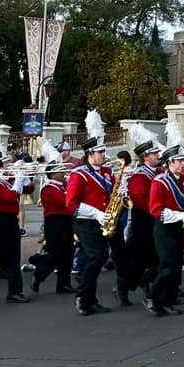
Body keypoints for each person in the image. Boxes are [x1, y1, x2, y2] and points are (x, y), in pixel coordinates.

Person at [66, 121, 116, 316]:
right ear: (90, 154)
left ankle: (90, 299)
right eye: (100, 152)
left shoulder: (107, 172)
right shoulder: (79, 174)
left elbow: (109, 194)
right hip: (85, 222)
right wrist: (96, 213)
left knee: (98, 257)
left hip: (102, 221)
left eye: (104, 151)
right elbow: (71, 203)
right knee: (98, 256)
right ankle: (82, 295)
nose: (104, 154)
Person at [147, 142, 184, 316]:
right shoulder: (160, 182)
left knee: (176, 264)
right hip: (164, 228)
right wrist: (180, 215)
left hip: (176, 227)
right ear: (170, 162)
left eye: (183, 160)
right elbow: (156, 210)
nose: (183, 163)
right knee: (168, 265)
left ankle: (167, 300)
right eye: (180, 161)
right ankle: (153, 297)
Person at [121, 131, 163, 306]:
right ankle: (124, 288)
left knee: (157, 258)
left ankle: (148, 282)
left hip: (155, 219)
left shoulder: (158, 172)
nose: (158, 155)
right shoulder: (140, 176)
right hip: (144, 220)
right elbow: (140, 200)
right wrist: (161, 211)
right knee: (142, 259)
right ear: (146, 157)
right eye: (155, 153)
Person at [0, 145, 31, 303]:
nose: (10, 165)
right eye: (6, 163)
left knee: (14, 257)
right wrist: (19, 178)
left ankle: (15, 292)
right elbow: (8, 197)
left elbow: (29, 189)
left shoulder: (7, 181)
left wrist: (25, 176)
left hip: (10, 220)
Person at [32, 158, 75, 294]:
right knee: (56, 252)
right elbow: (63, 201)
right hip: (55, 222)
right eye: (59, 170)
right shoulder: (49, 188)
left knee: (68, 252)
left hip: (67, 220)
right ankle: (39, 273)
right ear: (52, 174)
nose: (63, 172)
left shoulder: (64, 186)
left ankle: (64, 283)